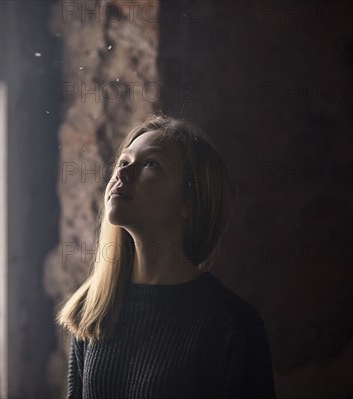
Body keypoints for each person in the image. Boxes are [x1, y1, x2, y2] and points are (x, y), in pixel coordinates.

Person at [57, 113, 277, 398]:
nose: (122, 174)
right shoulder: (96, 306)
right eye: (123, 162)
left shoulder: (231, 324)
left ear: (189, 201)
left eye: (151, 165)